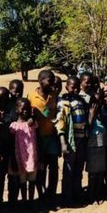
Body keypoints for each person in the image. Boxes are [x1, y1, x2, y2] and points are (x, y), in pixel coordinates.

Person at [27, 69, 59, 200]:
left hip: (51, 136)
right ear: (40, 81)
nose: (52, 84)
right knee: (40, 167)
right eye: (49, 81)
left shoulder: (54, 96)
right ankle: (41, 193)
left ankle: (51, 192)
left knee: (53, 165)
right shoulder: (30, 96)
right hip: (37, 137)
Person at [56, 75, 89, 204]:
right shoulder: (64, 103)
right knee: (69, 168)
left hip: (82, 140)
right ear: (67, 87)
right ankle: (67, 195)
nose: (75, 90)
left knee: (79, 168)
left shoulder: (81, 101)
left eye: (77, 87)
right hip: (71, 141)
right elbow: (60, 124)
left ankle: (77, 192)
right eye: (72, 87)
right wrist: (63, 143)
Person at [9, 98, 39, 203]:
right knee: (22, 181)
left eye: (27, 109)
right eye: (22, 109)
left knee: (32, 180)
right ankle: (24, 201)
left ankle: (30, 201)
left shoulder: (33, 124)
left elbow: (37, 139)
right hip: (19, 158)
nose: (25, 111)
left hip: (32, 157)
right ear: (17, 110)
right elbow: (11, 144)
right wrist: (13, 159)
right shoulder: (13, 126)